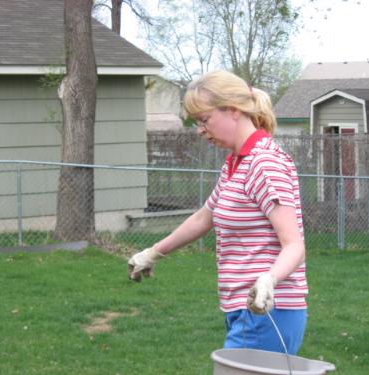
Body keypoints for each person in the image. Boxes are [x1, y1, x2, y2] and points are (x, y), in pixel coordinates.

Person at [127, 70, 308, 355]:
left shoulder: (265, 164)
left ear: (233, 110)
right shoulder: (236, 163)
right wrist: (153, 252)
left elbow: (294, 244)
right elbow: (204, 216)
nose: (200, 130)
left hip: (269, 311)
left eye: (204, 119)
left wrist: (268, 280)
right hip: (244, 309)